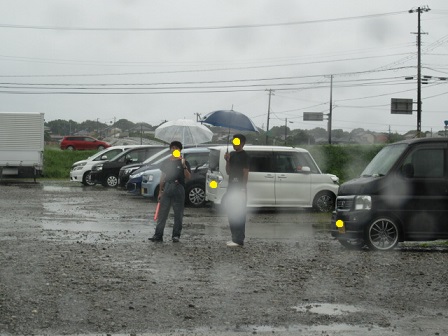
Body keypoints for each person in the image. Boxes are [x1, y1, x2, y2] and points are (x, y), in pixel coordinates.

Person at [149, 141, 191, 243]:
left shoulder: (183, 161)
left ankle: (176, 235)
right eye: (172, 147)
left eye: (176, 147)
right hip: (167, 187)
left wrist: (184, 165)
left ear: (180, 150)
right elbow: (163, 177)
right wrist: (160, 191)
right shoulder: (167, 162)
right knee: (162, 213)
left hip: (179, 187)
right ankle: (158, 235)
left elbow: (188, 177)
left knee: (178, 213)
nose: (174, 149)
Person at [223, 134, 250, 247]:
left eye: (237, 141)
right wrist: (227, 160)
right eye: (234, 141)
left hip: (239, 187)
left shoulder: (245, 156)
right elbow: (228, 172)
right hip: (231, 186)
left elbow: (246, 172)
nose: (234, 143)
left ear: (242, 143)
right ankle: (234, 238)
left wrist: (243, 188)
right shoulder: (232, 155)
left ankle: (239, 240)